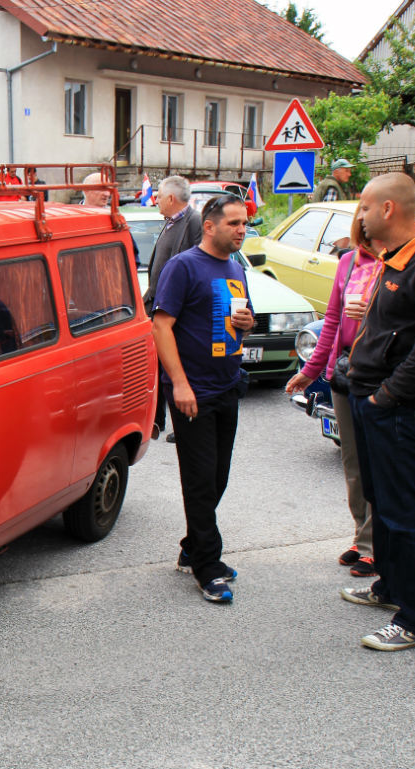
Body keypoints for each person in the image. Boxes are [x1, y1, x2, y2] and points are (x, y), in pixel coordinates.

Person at [338, 171, 415, 651]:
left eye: (366, 207)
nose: (361, 217)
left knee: (405, 511)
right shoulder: (395, 258)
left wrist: (385, 396)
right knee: (382, 502)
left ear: (388, 209)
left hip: (398, 407)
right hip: (372, 399)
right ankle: (390, 587)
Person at [151, 195, 255, 603]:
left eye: (244, 223)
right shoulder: (183, 266)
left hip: (227, 384)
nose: (241, 230)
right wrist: (178, 383)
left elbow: (239, 322)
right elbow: (161, 327)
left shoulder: (235, 267)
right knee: (199, 480)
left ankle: (193, 546)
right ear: (209, 226)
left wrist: (247, 324)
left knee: (217, 477)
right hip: (193, 390)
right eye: (233, 223)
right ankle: (207, 566)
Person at [284, 207, 382, 578]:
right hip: (344, 372)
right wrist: (310, 372)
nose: (365, 226)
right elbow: (333, 324)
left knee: (376, 463)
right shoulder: (348, 263)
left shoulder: (398, 265)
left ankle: (377, 543)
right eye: (362, 219)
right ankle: (362, 536)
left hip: (378, 376)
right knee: (353, 463)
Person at [147, 175, 203, 442]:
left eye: (158, 195)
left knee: (177, 367)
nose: (155, 199)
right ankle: (156, 420)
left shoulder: (193, 221)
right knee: (157, 365)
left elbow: (197, 263)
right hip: (159, 304)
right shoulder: (170, 223)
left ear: (171, 198)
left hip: (178, 310)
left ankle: (184, 424)